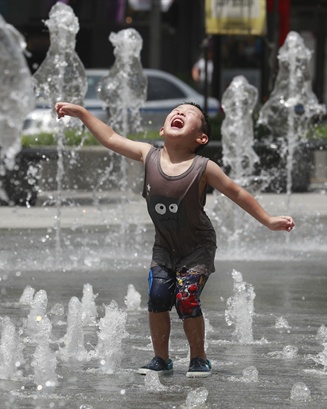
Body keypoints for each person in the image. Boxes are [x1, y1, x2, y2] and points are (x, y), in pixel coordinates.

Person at [54, 101, 295, 378]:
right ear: (162, 128)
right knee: (157, 297)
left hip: (198, 246)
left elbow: (237, 193)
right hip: (164, 247)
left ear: (201, 138)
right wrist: (83, 113)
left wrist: (268, 220)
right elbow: (110, 138)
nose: (180, 113)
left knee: (187, 298)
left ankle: (199, 358)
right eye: (176, 111)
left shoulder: (204, 167)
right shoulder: (148, 155)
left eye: (190, 114)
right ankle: (161, 358)